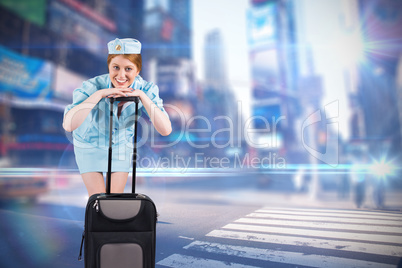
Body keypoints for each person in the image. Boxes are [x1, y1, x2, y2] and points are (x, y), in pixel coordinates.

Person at [62, 38, 172, 197]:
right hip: (89, 143)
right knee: (98, 199)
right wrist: (99, 94)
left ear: (138, 70)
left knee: (113, 200)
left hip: (121, 145)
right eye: (115, 67)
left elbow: (165, 129)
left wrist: (142, 96)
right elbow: (69, 125)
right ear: (109, 67)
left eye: (128, 69)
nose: (121, 75)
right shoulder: (93, 86)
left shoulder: (146, 89)